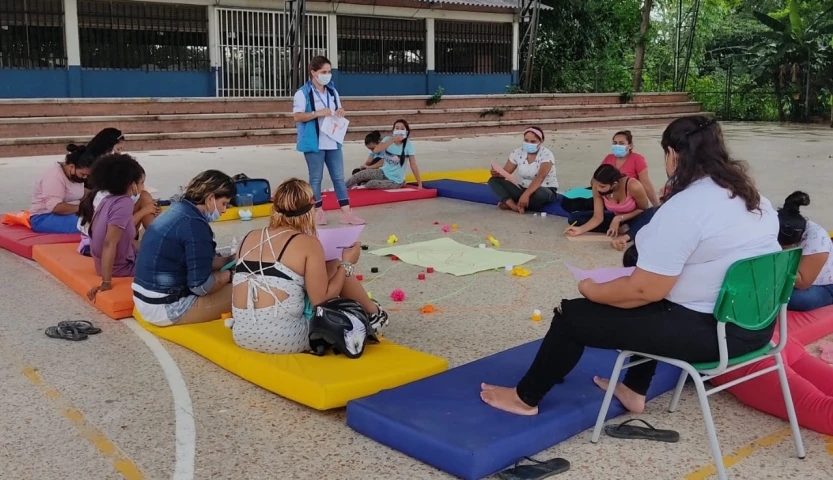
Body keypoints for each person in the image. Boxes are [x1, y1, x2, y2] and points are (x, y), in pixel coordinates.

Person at [480, 115, 781, 416]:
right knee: (651, 305)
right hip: (759, 326)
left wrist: (593, 290)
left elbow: (643, 291)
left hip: (712, 335)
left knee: (571, 316)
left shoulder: (688, 206)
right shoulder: (755, 198)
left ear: (673, 155)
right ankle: (635, 390)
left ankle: (525, 399)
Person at [229, 178, 389, 354]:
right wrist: (347, 264)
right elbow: (320, 301)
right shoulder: (308, 244)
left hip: (242, 335)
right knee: (335, 265)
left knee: (306, 274)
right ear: (309, 210)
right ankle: (374, 314)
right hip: (285, 339)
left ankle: (373, 313)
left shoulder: (249, 236)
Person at [132, 170, 237, 327]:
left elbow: (193, 262)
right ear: (210, 198)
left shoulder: (177, 210)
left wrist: (229, 260)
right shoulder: (195, 225)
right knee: (248, 288)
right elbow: (201, 287)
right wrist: (231, 275)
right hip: (165, 308)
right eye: (224, 204)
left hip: (143, 299)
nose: (224, 210)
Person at [293, 55, 364, 226]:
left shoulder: (332, 91)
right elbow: (297, 116)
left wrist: (340, 111)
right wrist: (317, 113)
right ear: (313, 73)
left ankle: (347, 213)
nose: (327, 75)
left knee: (339, 178)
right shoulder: (303, 93)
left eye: (329, 71)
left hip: (332, 140)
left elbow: (338, 109)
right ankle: (317, 211)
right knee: (316, 178)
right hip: (314, 142)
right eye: (323, 72)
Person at [78, 154, 152, 299]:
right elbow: (108, 243)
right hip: (121, 269)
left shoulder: (107, 200)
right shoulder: (125, 203)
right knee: (176, 265)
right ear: (132, 185)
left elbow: (118, 239)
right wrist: (106, 282)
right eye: (142, 183)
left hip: (108, 264)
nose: (143, 187)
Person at [565, 164, 654, 251]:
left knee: (651, 214)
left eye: (602, 186)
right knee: (574, 218)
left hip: (634, 217)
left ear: (614, 184)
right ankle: (621, 229)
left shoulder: (633, 186)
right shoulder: (597, 188)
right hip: (615, 217)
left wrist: (618, 218)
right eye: (597, 185)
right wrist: (580, 230)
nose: (598, 189)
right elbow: (598, 217)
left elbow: (644, 209)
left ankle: (626, 234)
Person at [776, 191, 833, 311]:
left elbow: (802, 283)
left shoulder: (817, 239)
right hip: (785, 279)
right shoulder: (771, 225)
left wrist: (783, 255)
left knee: (801, 299)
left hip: (822, 285)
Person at [487, 126, 559, 213]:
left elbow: (540, 178)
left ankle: (518, 203)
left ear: (541, 142)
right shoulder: (517, 152)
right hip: (522, 188)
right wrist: (496, 173)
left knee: (540, 194)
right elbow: (505, 173)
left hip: (544, 189)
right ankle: (513, 206)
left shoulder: (546, 155)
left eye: (533, 141)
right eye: (526, 140)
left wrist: (526, 195)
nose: (529, 144)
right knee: (493, 181)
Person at [30, 144, 94, 234]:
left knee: (100, 219)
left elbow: (79, 192)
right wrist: (83, 208)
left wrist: (98, 195)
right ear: (72, 167)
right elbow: (56, 207)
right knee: (92, 224)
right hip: (44, 217)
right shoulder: (54, 175)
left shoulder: (74, 175)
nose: (84, 178)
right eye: (83, 174)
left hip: (68, 214)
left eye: (87, 175)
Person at [345, 120, 423, 190]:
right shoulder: (387, 139)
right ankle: (342, 186)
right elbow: (376, 150)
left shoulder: (408, 145)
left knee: (372, 183)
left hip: (396, 181)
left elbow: (413, 165)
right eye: (397, 128)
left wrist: (419, 184)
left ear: (406, 132)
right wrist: (392, 140)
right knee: (361, 174)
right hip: (383, 172)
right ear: (393, 130)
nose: (399, 130)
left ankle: (362, 186)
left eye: (402, 129)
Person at [601, 130, 661, 206]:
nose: (617, 146)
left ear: (630, 146)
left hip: (628, 201)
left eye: (621, 143)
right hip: (610, 199)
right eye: (615, 143)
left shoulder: (637, 159)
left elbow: (646, 184)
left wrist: (656, 205)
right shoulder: (608, 158)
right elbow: (598, 179)